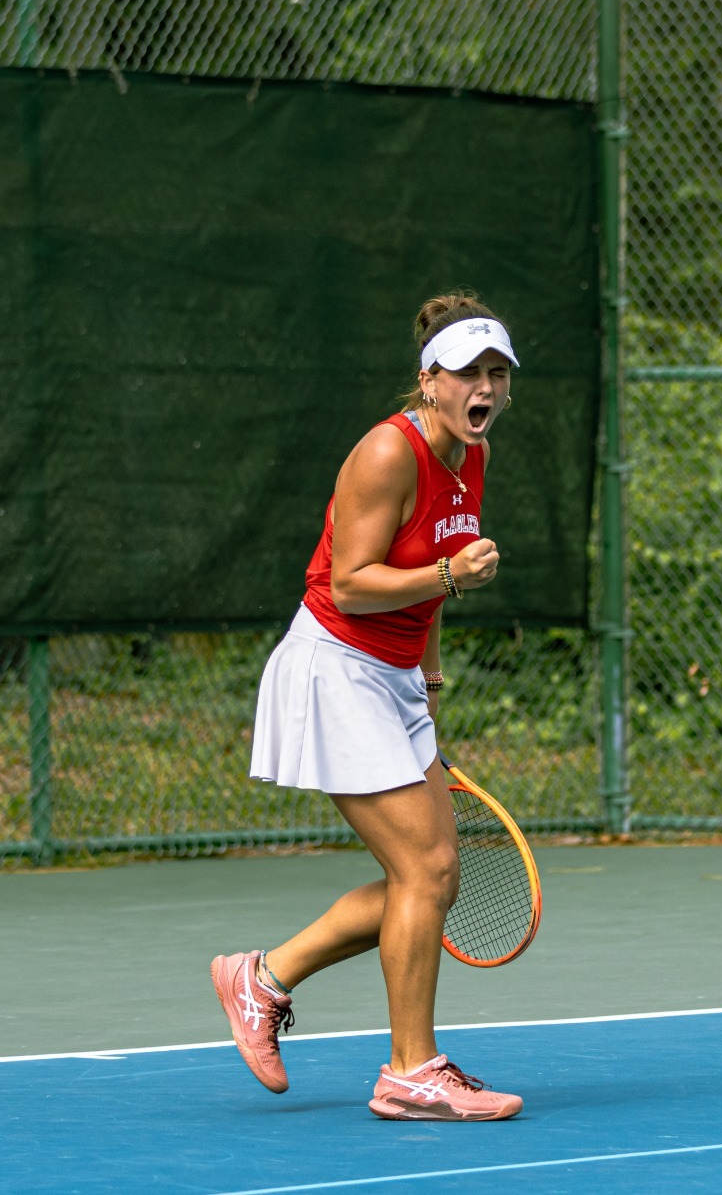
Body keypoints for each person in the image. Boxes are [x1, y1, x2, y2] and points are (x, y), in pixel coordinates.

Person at [210, 293, 522, 1122]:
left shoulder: (470, 454)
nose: (484, 386)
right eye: (468, 372)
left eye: (497, 373)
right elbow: (353, 580)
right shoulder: (389, 451)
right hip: (334, 666)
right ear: (430, 379)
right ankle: (410, 1070)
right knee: (427, 869)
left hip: (392, 678)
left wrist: (427, 683)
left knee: (429, 879)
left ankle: (262, 977)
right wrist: (452, 577)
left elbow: (431, 583)